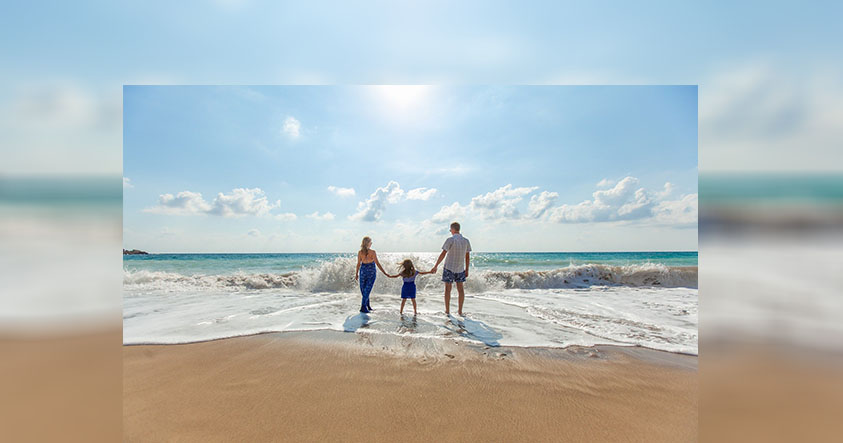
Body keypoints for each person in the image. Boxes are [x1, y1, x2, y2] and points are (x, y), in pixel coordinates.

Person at [431, 222, 472, 316]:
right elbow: (467, 257)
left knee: (447, 290)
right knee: (460, 290)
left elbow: (443, 254)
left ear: (453, 229)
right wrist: (467, 269)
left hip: (449, 267)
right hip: (460, 268)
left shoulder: (450, 240)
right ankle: (460, 311)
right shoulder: (466, 241)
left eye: (450, 230)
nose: (450, 231)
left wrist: (436, 265)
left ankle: (447, 311)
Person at [354, 236, 390, 313]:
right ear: (368, 243)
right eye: (371, 242)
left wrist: (384, 272)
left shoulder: (372, 252)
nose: (371, 243)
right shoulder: (361, 252)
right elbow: (358, 264)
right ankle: (365, 306)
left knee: (367, 289)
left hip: (368, 271)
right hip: (365, 271)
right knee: (364, 290)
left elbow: (377, 263)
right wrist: (356, 273)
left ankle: (364, 306)